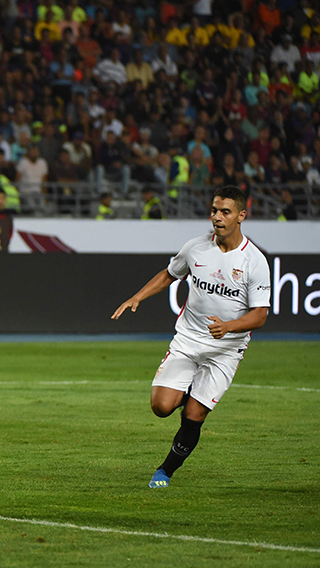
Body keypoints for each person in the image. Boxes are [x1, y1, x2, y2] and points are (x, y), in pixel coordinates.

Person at [111, 186, 270, 489]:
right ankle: (189, 393)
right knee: (160, 407)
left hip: (226, 350)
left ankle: (165, 471)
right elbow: (169, 273)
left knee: (194, 415)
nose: (217, 217)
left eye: (225, 212)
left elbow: (259, 315)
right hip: (188, 340)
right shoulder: (195, 248)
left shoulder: (254, 261)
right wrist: (138, 297)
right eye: (214, 210)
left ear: (241, 216)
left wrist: (230, 326)